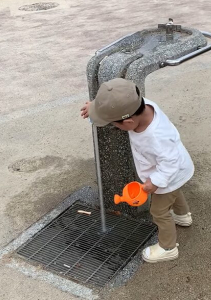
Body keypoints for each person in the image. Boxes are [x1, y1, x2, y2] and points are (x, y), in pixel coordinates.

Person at [81, 78, 194, 263]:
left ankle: (168, 248)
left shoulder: (157, 137)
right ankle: (183, 217)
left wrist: (154, 182)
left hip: (169, 171)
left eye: (114, 124)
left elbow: (170, 162)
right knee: (173, 192)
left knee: (159, 211)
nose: (114, 127)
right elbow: (119, 101)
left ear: (128, 123)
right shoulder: (141, 104)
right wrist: (96, 108)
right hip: (176, 172)